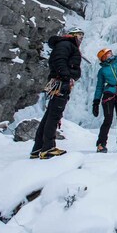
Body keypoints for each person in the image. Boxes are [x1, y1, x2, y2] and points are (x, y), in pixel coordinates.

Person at [32, 27, 84, 159]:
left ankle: (38, 148)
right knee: (54, 115)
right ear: (72, 35)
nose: (81, 39)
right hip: (61, 83)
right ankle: (48, 148)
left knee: (50, 115)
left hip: (60, 83)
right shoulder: (66, 44)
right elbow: (58, 60)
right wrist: (66, 76)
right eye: (79, 36)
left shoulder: (65, 45)